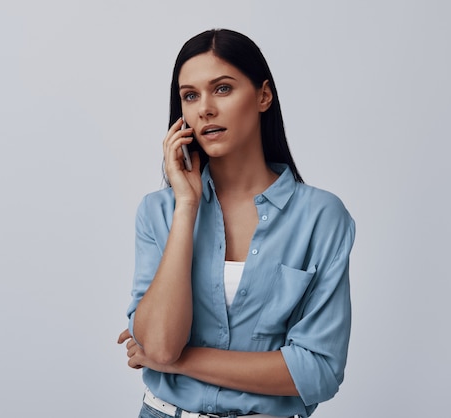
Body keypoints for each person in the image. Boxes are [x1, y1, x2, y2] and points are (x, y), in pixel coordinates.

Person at [118, 28, 355, 418]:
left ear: (263, 96)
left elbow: (318, 372)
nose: (204, 109)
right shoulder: (159, 212)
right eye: (190, 96)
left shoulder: (321, 218)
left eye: (222, 89)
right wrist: (186, 205)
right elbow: (159, 344)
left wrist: (177, 362)